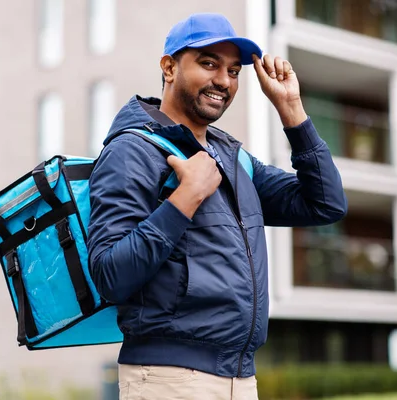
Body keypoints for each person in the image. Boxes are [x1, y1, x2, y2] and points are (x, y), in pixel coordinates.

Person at [87, 12, 348, 400]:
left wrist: (291, 108)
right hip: (167, 379)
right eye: (209, 63)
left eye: (234, 71)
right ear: (169, 67)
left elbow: (325, 204)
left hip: (240, 379)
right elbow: (110, 274)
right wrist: (185, 198)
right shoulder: (132, 151)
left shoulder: (233, 157)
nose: (224, 81)